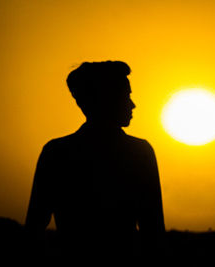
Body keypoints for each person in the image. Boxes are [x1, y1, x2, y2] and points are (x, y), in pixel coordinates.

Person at [25, 61, 165, 263]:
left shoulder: (56, 152)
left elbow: (34, 228)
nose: (132, 104)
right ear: (105, 100)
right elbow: (153, 231)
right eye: (126, 96)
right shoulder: (139, 152)